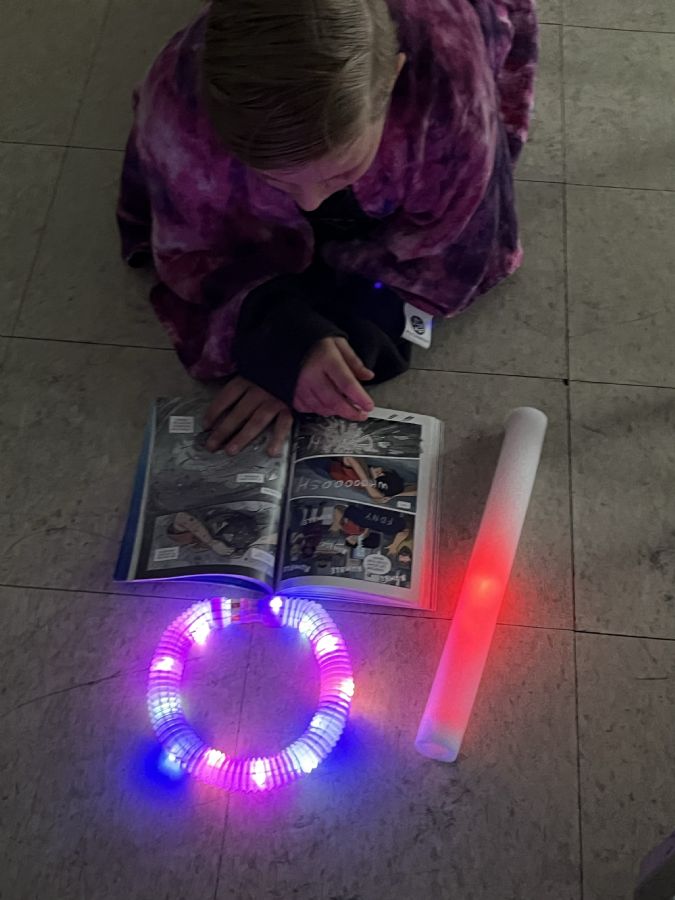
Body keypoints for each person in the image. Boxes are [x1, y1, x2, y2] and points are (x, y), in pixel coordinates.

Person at [118, 0, 537, 456]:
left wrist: (355, 334)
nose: (310, 204)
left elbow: (456, 247)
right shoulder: (176, 103)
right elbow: (193, 246)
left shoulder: (449, 86)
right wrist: (277, 333)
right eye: (275, 179)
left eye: (340, 173)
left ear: (393, 80)